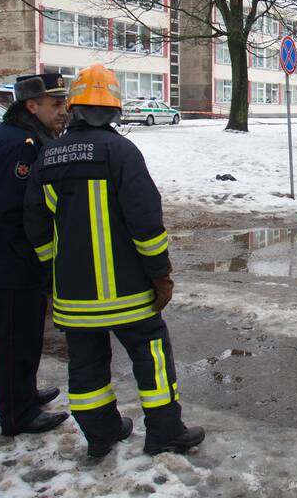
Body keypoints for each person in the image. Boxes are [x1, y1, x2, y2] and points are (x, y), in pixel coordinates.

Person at [23, 64, 204, 459]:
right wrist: (160, 274)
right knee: (152, 359)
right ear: (114, 110)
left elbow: (36, 226)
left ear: (73, 107)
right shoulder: (121, 152)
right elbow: (146, 224)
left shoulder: (47, 158)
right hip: (128, 293)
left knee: (86, 367)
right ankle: (164, 432)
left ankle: (101, 434)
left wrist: (56, 274)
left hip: (74, 297)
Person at [0, 73, 71, 437]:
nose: (63, 110)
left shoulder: (24, 136)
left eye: (64, 103)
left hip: (15, 260)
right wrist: (37, 255)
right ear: (31, 105)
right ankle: (16, 414)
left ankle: (22, 393)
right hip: (9, 261)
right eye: (56, 104)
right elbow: (13, 211)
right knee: (13, 339)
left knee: (25, 334)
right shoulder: (21, 144)